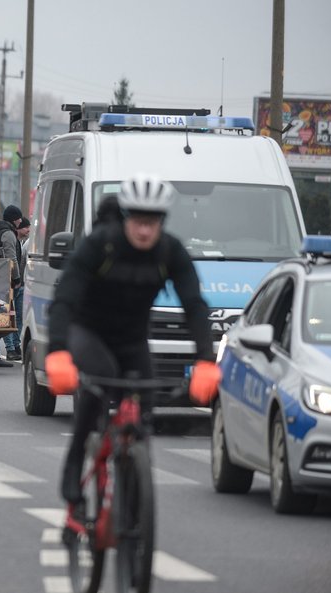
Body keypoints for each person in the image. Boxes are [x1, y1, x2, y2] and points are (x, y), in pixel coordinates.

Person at [45, 174, 221, 505]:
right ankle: (73, 468)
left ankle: (132, 486)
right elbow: (64, 301)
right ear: (126, 218)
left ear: (162, 222)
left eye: (152, 222)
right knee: (97, 389)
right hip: (89, 332)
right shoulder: (100, 245)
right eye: (138, 221)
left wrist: (205, 361)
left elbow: (195, 307)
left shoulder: (170, 252)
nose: (144, 230)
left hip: (132, 339)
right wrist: (57, 353)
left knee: (144, 409)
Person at [0, 204, 23, 367]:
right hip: (2, 279)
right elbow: (11, 258)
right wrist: (17, 278)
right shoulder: (8, 233)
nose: (21, 221)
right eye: (20, 218)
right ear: (15, 219)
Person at [5, 217, 31, 360]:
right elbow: (16, 262)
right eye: (25, 227)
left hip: (20, 285)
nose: (28, 229)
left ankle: (16, 345)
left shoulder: (22, 243)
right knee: (10, 317)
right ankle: (10, 348)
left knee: (18, 318)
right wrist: (17, 280)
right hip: (14, 284)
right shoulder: (15, 241)